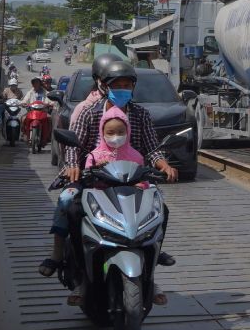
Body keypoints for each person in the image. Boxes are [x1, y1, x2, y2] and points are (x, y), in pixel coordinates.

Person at [58, 61, 179, 273]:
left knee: (161, 208)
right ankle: (69, 260)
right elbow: (73, 146)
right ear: (104, 86)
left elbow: (152, 149)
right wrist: (72, 167)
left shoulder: (141, 115)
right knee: (69, 203)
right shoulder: (88, 113)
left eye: (127, 85)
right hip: (92, 179)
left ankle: (154, 251)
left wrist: (164, 165)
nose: (122, 89)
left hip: (133, 180)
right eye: (117, 85)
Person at [71, 53, 122, 130]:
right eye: (107, 80)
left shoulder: (134, 110)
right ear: (97, 80)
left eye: (118, 80)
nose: (114, 84)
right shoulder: (84, 110)